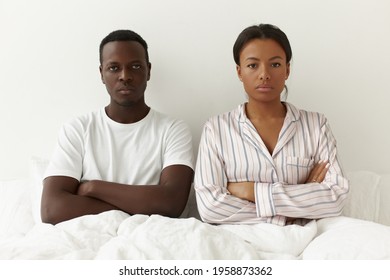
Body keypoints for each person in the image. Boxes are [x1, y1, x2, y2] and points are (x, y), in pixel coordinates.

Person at [194, 24, 349, 225]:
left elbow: (335, 197)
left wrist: (252, 191)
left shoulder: (316, 125)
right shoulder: (216, 130)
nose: (264, 74)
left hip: (305, 241)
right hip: (238, 244)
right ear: (239, 72)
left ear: (287, 69)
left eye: (275, 64)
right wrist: (301, 198)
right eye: (253, 65)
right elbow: (210, 207)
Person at [41, 30, 194, 225]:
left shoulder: (173, 129)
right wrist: (139, 207)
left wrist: (93, 188)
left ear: (148, 70)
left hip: (150, 236)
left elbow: (172, 203)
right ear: (101, 74)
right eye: (114, 68)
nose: (125, 76)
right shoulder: (78, 128)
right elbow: (51, 209)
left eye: (135, 66)